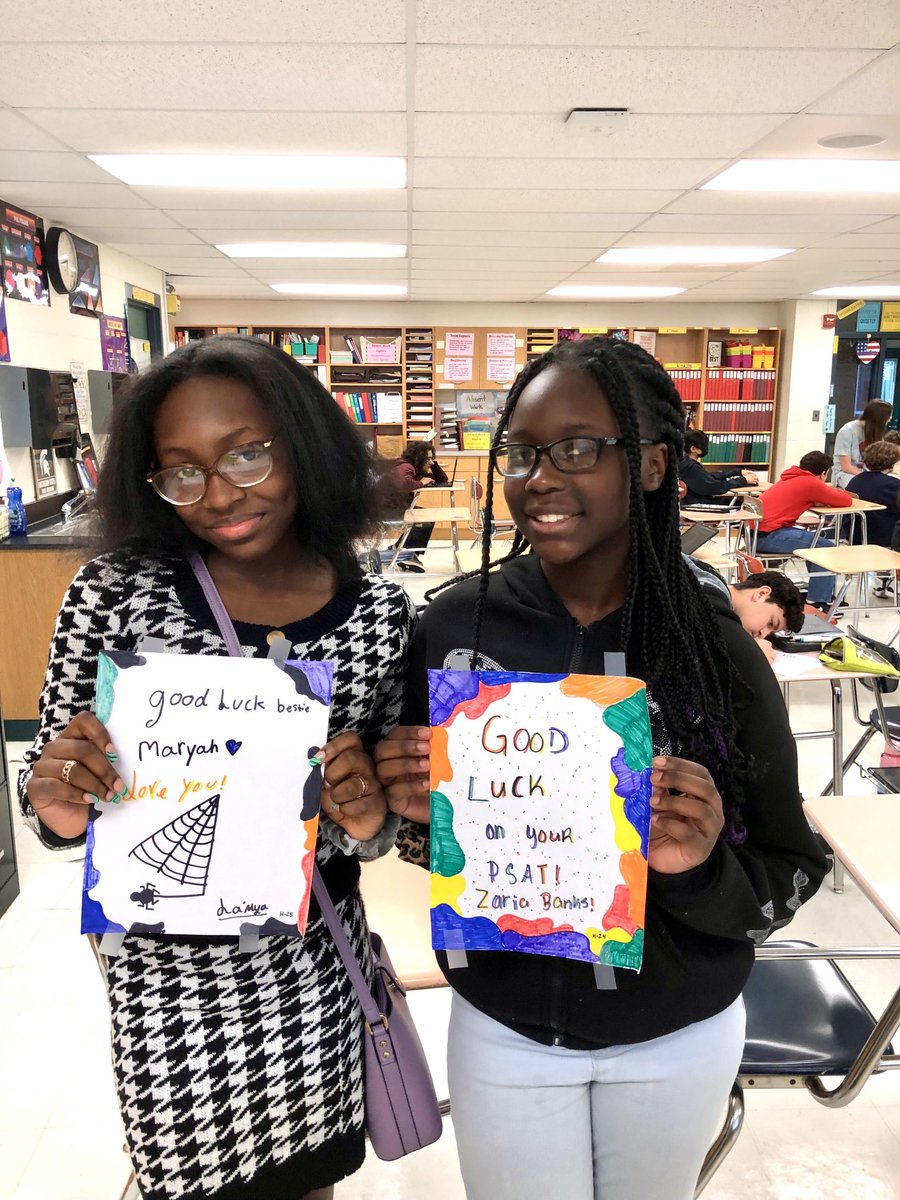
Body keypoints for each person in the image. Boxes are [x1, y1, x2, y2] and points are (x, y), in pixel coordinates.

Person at [374, 336, 827, 1200]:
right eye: (521, 452)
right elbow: (437, 851)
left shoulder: (714, 646)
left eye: (579, 449)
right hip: (504, 1024)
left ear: (654, 465)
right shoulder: (456, 629)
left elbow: (794, 871)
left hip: (674, 1032)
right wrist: (411, 811)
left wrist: (698, 872)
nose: (539, 477)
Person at [18, 335, 416, 1200]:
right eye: (182, 471)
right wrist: (58, 798)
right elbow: (52, 797)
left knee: (312, 1184)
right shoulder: (113, 592)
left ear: (300, 442)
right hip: (169, 989)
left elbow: (383, 828)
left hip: (316, 975)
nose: (221, 494)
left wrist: (365, 815)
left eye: (245, 453)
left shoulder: (379, 612)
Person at [755, 450, 852, 611]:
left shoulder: (791, 477)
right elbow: (845, 500)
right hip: (769, 536)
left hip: (758, 534)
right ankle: (819, 601)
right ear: (824, 473)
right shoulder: (811, 483)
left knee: (815, 542)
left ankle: (820, 592)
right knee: (825, 547)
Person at [687, 562, 804, 664]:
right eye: (770, 623)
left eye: (771, 633)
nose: (763, 634)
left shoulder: (711, 577)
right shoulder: (707, 597)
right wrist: (749, 653)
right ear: (761, 594)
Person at [382, 440, 449, 572]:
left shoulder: (416, 469)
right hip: (385, 510)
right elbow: (403, 484)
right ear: (418, 458)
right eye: (428, 459)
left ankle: (402, 551)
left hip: (395, 507)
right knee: (424, 521)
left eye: (432, 458)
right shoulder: (406, 467)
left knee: (426, 518)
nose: (431, 462)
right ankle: (409, 555)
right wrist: (422, 483)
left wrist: (432, 464)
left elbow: (442, 479)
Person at [678, 428, 758, 508]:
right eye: (704, 445)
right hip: (699, 506)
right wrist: (744, 480)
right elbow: (716, 487)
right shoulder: (692, 468)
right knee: (745, 505)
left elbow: (709, 477)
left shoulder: (684, 463)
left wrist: (738, 472)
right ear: (693, 449)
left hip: (693, 503)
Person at [845, 440, 900, 546]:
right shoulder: (894, 485)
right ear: (892, 462)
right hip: (884, 537)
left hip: (855, 536)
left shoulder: (855, 480)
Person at [832, 399, 892, 487]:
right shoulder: (847, 431)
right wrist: (868, 477)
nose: (889, 420)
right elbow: (846, 467)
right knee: (870, 487)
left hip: (867, 473)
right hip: (844, 474)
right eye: (888, 417)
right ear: (879, 418)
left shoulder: (876, 432)